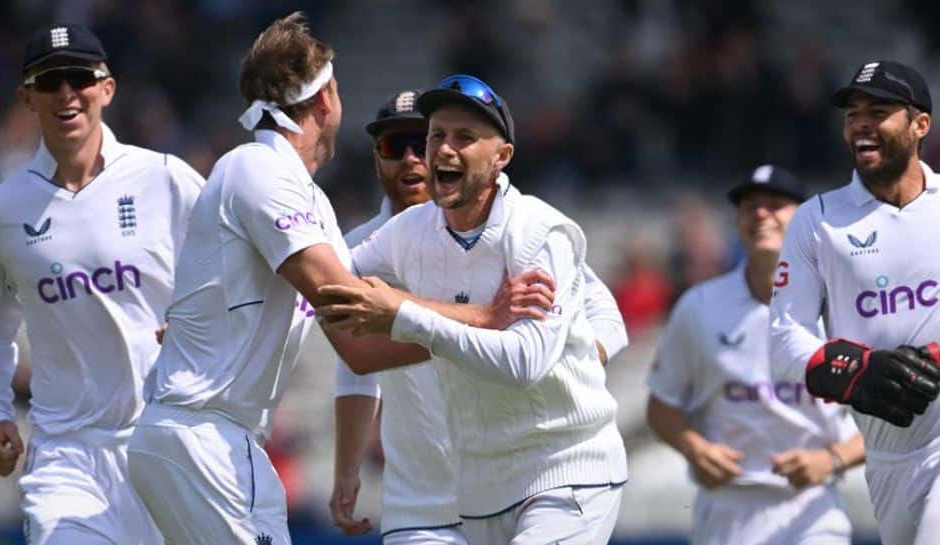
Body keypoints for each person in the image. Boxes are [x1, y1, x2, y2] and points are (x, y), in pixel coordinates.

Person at [126, 17, 549, 545]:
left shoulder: (312, 203)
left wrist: (468, 331)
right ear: (325, 98)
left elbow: (360, 349)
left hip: (203, 439)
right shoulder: (258, 170)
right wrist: (483, 318)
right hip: (204, 437)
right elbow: (349, 316)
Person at [317, 74, 627, 545]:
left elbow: (528, 361)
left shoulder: (539, 232)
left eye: (462, 137)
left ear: (502, 156)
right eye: (432, 136)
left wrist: (571, 355)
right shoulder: (395, 238)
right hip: (463, 492)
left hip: (564, 467)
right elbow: (325, 309)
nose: (426, 154)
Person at [0, 23, 204, 545]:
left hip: (167, 445)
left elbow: (232, 277)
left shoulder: (167, 179)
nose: (66, 93)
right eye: (49, 82)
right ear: (26, 98)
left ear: (107, 88)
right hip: (65, 456)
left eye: (79, 77)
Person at [769, 60, 940, 545]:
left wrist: (933, 359)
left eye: (879, 111)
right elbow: (784, 342)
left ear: (920, 124)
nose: (861, 123)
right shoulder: (816, 221)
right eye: (853, 114)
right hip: (886, 459)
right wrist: (856, 369)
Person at [647, 165, 864, 545]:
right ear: (737, 222)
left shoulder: (843, 304)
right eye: (750, 207)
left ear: (804, 220)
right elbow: (661, 405)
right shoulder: (699, 305)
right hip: (726, 508)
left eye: (775, 205)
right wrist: (694, 448)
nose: (761, 214)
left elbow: (889, 418)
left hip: (812, 509)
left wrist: (830, 460)